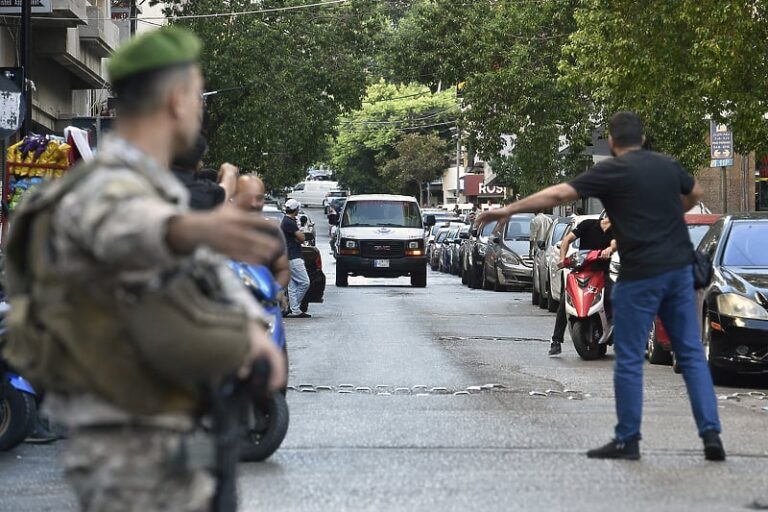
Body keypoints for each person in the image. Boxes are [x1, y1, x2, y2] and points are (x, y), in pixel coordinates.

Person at [5, 27, 287, 511]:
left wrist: (248, 334)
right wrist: (185, 230)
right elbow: (128, 229)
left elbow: (197, 283)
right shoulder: (109, 186)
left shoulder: (158, 190)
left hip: (180, 439)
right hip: (130, 457)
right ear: (178, 100)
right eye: (197, 95)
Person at [478, 111, 724, 462]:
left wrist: (508, 209)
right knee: (690, 353)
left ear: (612, 142)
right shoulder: (667, 166)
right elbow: (694, 193)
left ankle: (628, 439)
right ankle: (711, 434)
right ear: (643, 137)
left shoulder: (611, 171)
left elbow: (558, 194)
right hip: (679, 271)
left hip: (640, 274)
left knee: (627, 357)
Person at [548, 213, 615, 356]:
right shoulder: (588, 224)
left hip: (602, 274)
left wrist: (609, 250)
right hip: (581, 272)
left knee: (615, 297)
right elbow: (567, 240)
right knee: (564, 302)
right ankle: (556, 341)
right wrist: (562, 259)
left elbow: (617, 243)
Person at [234, 175, 291, 288]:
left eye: (259, 198)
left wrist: (275, 291)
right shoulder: (220, 229)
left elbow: (283, 270)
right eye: (247, 198)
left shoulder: (271, 231)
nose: (254, 204)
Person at [170, 133, 238, 210]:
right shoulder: (196, 193)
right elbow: (226, 189)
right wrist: (228, 171)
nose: (202, 164)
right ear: (196, 164)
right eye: (200, 159)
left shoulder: (159, 178)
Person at [281, 199, 311, 318]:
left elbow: (298, 237)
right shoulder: (289, 222)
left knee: (292, 286)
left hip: (288, 256)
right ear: (296, 210)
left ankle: (295, 309)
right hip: (293, 257)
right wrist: (300, 234)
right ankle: (290, 306)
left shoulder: (288, 221)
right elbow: (302, 238)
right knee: (305, 282)